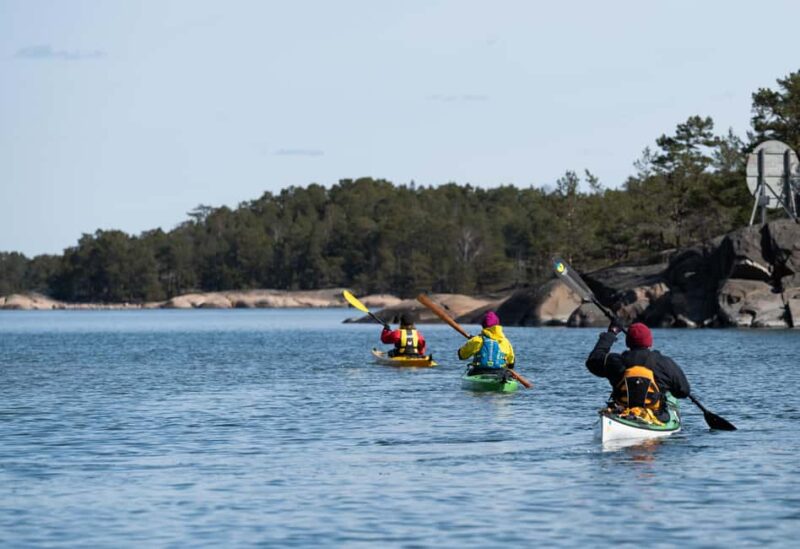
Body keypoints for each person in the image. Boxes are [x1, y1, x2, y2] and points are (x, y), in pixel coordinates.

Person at [586, 320, 690, 423]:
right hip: (656, 416)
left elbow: (593, 360)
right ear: (649, 342)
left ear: (628, 343)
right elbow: (684, 391)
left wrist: (611, 333)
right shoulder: (663, 363)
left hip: (621, 412)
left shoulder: (614, 361)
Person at [457, 311, 515, 379]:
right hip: (500, 373)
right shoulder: (505, 341)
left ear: (483, 325)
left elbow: (462, 355)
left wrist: (471, 342)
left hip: (478, 372)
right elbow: (511, 363)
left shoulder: (477, 340)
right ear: (497, 325)